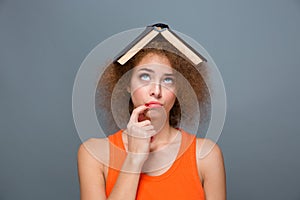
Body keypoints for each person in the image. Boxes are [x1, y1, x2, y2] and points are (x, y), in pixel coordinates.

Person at [77, 32, 226, 200]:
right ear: (127, 84)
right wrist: (134, 158)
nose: (156, 91)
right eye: (145, 76)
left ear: (179, 90)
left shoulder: (206, 155)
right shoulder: (94, 154)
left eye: (168, 80)